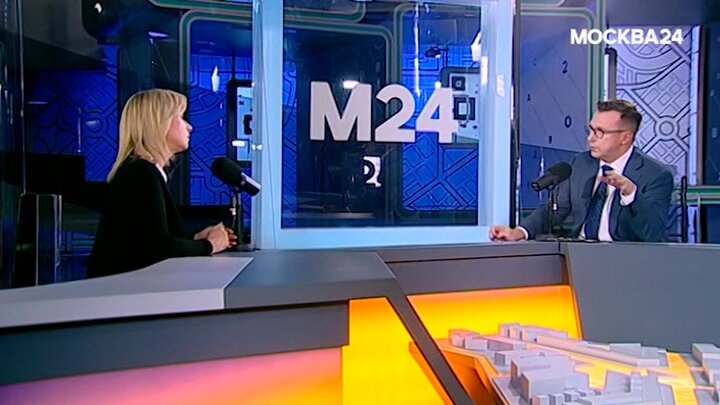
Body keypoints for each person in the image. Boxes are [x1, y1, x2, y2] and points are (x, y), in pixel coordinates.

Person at [87, 89, 235, 278]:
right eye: (180, 117)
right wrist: (209, 245)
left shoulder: (143, 171)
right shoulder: (140, 173)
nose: (189, 127)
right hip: (123, 291)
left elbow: (146, 240)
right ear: (159, 123)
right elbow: (157, 249)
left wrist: (195, 239)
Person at [490, 99, 674, 243]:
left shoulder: (656, 175)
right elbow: (556, 210)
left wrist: (631, 194)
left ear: (625, 138)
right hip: (580, 253)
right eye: (590, 130)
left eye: (600, 132)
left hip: (627, 261)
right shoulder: (582, 163)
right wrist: (519, 232)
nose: (590, 139)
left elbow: (652, 233)